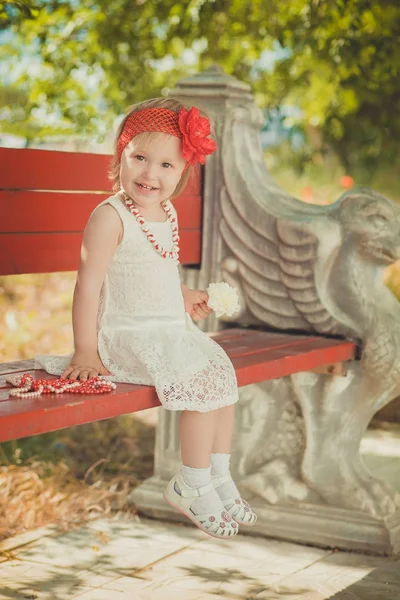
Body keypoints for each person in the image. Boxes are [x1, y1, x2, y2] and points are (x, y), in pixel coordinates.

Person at [36, 97, 257, 538]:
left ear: (182, 172)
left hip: (167, 327)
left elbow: (157, 276)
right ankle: (189, 483)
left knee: (221, 372)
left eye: (165, 166)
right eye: (139, 157)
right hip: (125, 335)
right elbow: (88, 286)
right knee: (197, 379)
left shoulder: (167, 213)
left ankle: (216, 474)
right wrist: (85, 349)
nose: (149, 174)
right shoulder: (109, 217)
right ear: (121, 154)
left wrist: (186, 295)